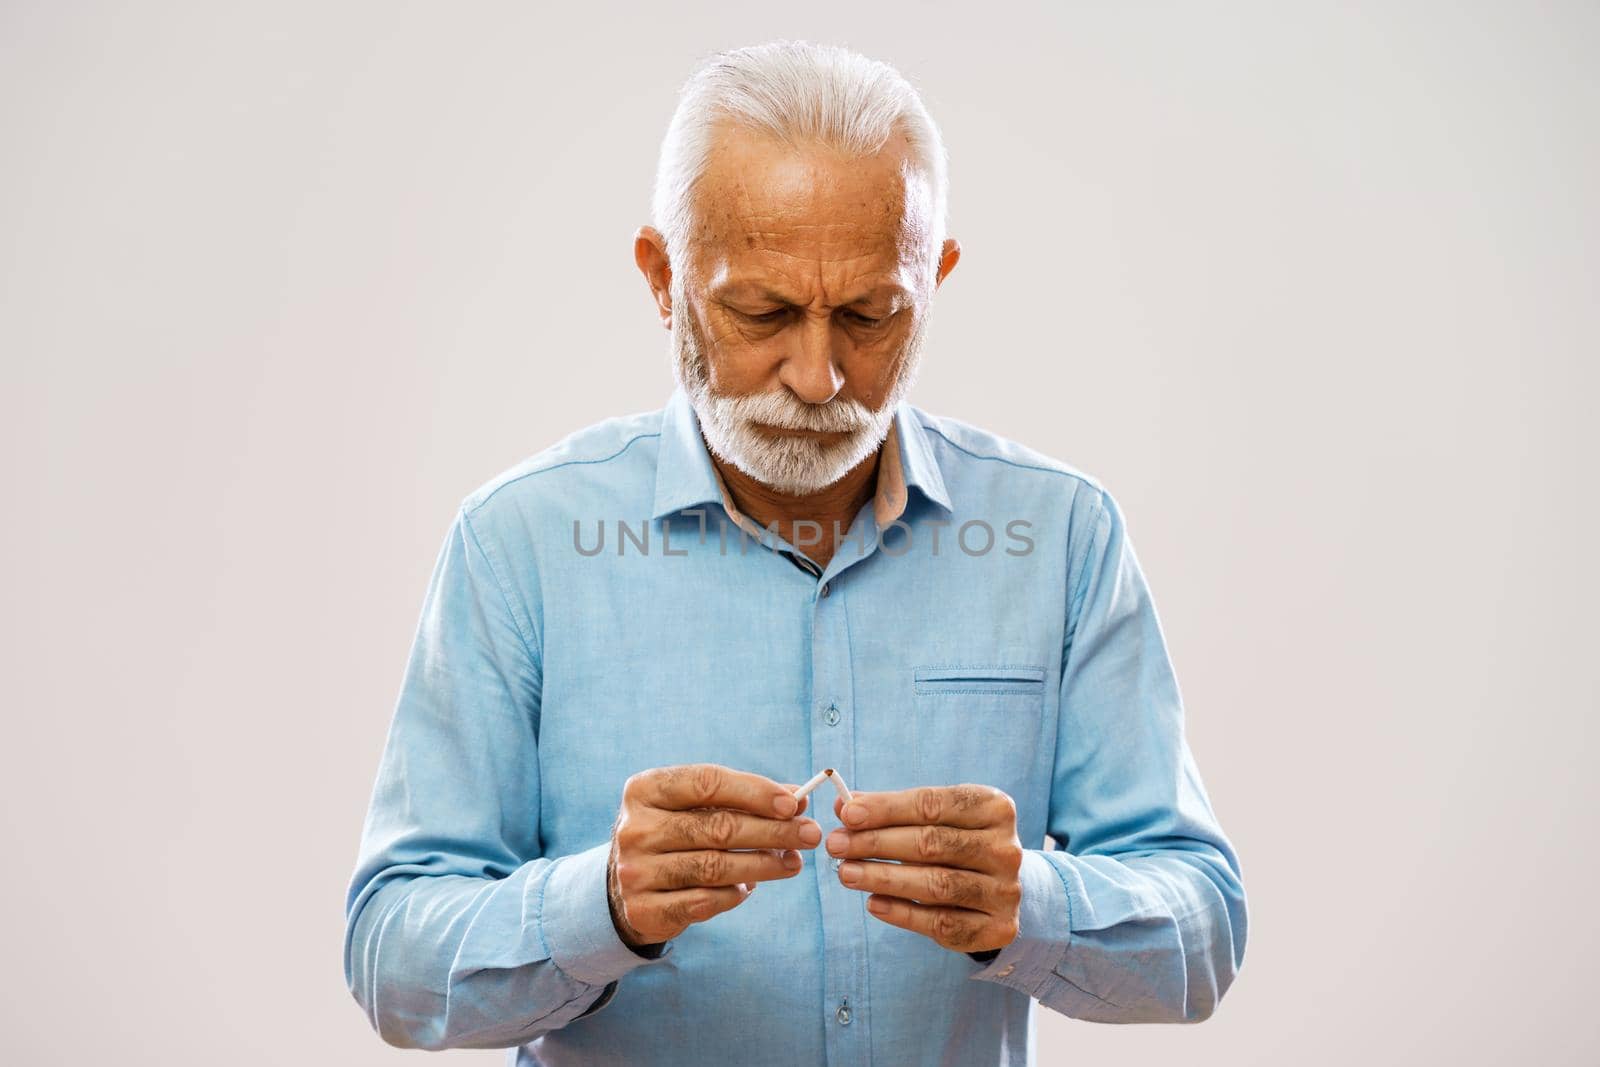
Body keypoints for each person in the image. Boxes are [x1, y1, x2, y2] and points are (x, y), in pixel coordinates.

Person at [343, 39, 1247, 1066]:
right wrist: (597, 903)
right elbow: (391, 959)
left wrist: (1028, 901)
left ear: (935, 277)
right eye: (760, 311)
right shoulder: (521, 543)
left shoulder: (1063, 537)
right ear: (660, 276)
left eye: (870, 315)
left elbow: (1201, 933)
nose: (818, 378)